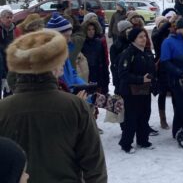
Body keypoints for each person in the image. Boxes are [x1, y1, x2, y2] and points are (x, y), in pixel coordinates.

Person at [0, 29, 107, 182]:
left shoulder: (3, 109)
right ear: (52, 66)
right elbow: (94, 164)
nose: (64, 64)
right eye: (60, 60)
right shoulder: (75, 106)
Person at [117, 27, 156, 153]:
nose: (144, 39)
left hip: (144, 90)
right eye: (140, 37)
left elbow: (151, 70)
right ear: (133, 39)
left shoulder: (147, 52)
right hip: (130, 91)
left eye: (144, 36)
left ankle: (143, 140)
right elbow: (123, 74)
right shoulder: (128, 53)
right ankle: (126, 143)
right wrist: (140, 79)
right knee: (131, 118)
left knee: (145, 115)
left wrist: (152, 79)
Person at [81, 21, 110, 94]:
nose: (91, 32)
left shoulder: (99, 42)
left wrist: (106, 77)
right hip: (87, 73)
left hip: (98, 73)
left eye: (93, 29)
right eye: (89, 29)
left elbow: (103, 60)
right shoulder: (82, 43)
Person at [1, 9, 15, 98]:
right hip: (1, 60)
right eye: (7, 17)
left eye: (11, 17)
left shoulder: (15, 29)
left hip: (11, 62)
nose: (9, 19)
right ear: (1, 19)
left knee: (9, 88)